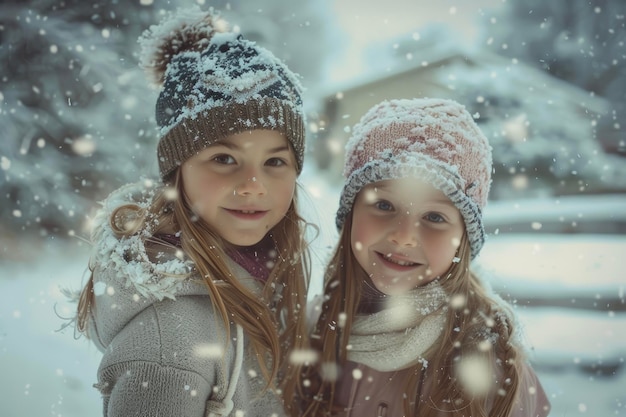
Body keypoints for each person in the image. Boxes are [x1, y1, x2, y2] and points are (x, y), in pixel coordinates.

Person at [73, 6, 311, 417]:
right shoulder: (168, 354)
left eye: (275, 162)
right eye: (223, 158)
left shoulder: (268, 283)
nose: (253, 185)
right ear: (175, 174)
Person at [298, 98, 551, 416]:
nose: (404, 236)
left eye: (434, 217)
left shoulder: (490, 362)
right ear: (351, 215)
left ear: (463, 240)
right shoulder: (310, 328)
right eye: (385, 205)